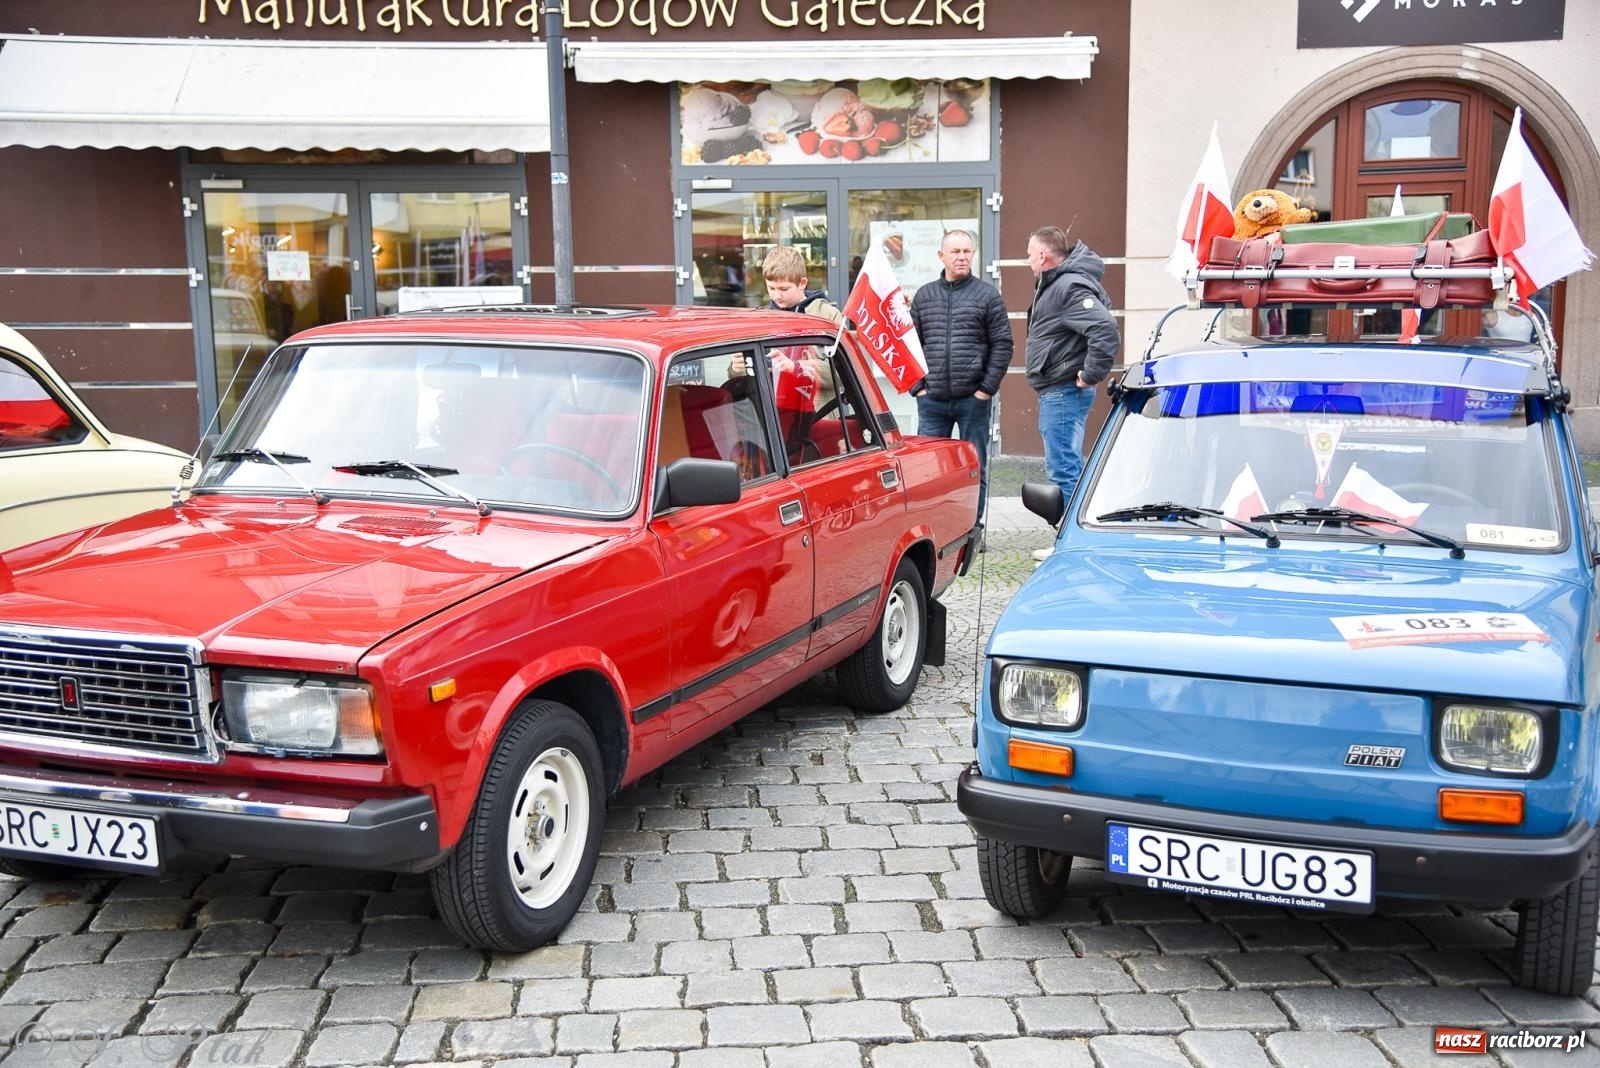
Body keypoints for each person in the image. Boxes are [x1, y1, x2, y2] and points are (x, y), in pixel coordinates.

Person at [1024, 225, 1121, 561]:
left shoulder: (1067, 286)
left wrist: (1089, 374)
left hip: (1064, 390)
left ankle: (1074, 541)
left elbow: (1105, 329)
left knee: (1064, 466)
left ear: (1042, 255)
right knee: (1067, 463)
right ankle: (1075, 537)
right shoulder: (1056, 283)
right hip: (1057, 390)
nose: (1027, 260)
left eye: (1029, 254)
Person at [909, 228, 1011, 541]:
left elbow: (1003, 345)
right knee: (930, 473)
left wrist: (985, 390)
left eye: (967, 251)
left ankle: (972, 530)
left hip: (973, 400)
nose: (962, 257)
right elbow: (910, 346)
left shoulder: (987, 296)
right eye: (955, 252)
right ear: (941, 256)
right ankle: (934, 532)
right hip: (933, 401)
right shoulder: (925, 296)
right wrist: (919, 388)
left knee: (973, 468)